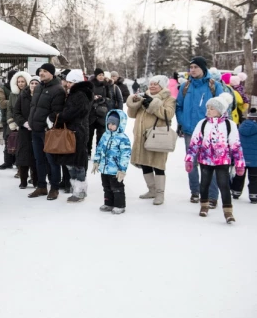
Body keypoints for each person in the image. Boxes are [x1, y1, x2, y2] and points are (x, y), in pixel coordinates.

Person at [185, 93, 245, 222]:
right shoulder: (203, 124)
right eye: (208, 108)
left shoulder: (229, 125)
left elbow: (235, 145)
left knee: (224, 185)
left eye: (212, 108)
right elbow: (194, 143)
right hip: (205, 160)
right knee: (204, 184)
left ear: (220, 110)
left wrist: (240, 163)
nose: (208, 111)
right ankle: (204, 206)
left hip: (222, 161)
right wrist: (189, 159)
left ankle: (228, 211)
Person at [176, 56, 224, 205]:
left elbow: (222, 106)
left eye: (196, 67)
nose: (192, 70)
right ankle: (195, 192)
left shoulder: (214, 85)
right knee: (192, 163)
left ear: (203, 68)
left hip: (210, 130)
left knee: (211, 163)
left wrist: (216, 124)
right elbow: (179, 106)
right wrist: (182, 122)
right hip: (190, 131)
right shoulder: (185, 87)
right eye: (191, 68)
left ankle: (212, 195)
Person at [126, 75, 177, 205]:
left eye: (156, 84)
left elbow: (168, 114)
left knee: (158, 165)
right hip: (141, 136)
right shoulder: (144, 96)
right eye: (151, 83)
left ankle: (160, 194)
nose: (152, 86)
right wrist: (135, 102)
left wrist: (152, 104)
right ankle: (152, 190)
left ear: (162, 86)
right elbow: (132, 115)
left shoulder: (169, 98)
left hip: (157, 137)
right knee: (145, 163)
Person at [26, 63, 65, 200]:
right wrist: (31, 122)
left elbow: (57, 113)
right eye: (41, 71)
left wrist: (47, 126)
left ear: (52, 74)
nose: (41, 73)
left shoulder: (58, 89)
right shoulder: (38, 88)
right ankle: (42, 186)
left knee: (52, 161)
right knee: (39, 160)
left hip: (48, 132)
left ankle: (54, 188)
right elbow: (33, 107)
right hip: (35, 130)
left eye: (45, 71)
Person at [55, 69, 93, 202]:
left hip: (77, 132)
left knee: (76, 163)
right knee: (72, 162)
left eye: (70, 82)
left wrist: (57, 117)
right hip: (75, 131)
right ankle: (76, 189)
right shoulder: (78, 93)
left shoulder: (79, 95)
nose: (67, 84)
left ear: (76, 82)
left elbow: (72, 112)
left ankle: (80, 192)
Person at [92, 110, 131, 214]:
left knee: (117, 188)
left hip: (115, 170)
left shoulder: (123, 138)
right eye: (109, 123)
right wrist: (96, 161)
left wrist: (122, 169)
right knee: (106, 187)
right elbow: (99, 149)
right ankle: (109, 203)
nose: (110, 126)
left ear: (119, 124)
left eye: (113, 124)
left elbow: (125, 155)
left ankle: (119, 205)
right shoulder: (105, 135)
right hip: (104, 168)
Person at [13, 76, 40, 189]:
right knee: (23, 156)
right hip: (24, 131)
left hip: (37, 130)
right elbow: (16, 112)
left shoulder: (42, 96)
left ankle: (36, 180)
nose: (34, 85)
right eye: (32, 83)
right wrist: (23, 123)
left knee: (36, 156)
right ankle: (23, 180)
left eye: (36, 83)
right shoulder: (23, 95)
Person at [7, 71, 30, 179]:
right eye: (19, 82)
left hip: (27, 123)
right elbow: (10, 109)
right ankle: (20, 169)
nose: (21, 83)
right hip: (15, 124)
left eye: (22, 81)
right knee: (18, 148)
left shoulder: (30, 93)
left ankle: (30, 171)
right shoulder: (13, 94)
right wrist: (11, 122)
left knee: (28, 149)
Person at [231, 107, 257, 203]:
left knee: (239, 175)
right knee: (254, 177)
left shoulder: (241, 127)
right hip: (255, 158)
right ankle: (254, 195)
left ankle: (236, 192)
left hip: (241, 157)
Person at [88, 68, 112, 158]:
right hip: (91, 113)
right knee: (89, 135)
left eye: (102, 75)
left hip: (102, 113)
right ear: (95, 76)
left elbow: (110, 99)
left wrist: (103, 99)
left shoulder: (106, 85)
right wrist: (93, 98)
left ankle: (99, 153)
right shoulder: (90, 85)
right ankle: (88, 152)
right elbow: (86, 97)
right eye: (99, 75)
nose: (101, 77)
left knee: (101, 135)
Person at [0, 70, 18, 170]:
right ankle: (8, 161)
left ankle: (18, 161)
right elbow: (1, 102)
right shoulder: (4, 88)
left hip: (20, 118)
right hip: (7, 118)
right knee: (8, 139)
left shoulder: (21, 86)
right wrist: (14, 101)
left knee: (20, 140)